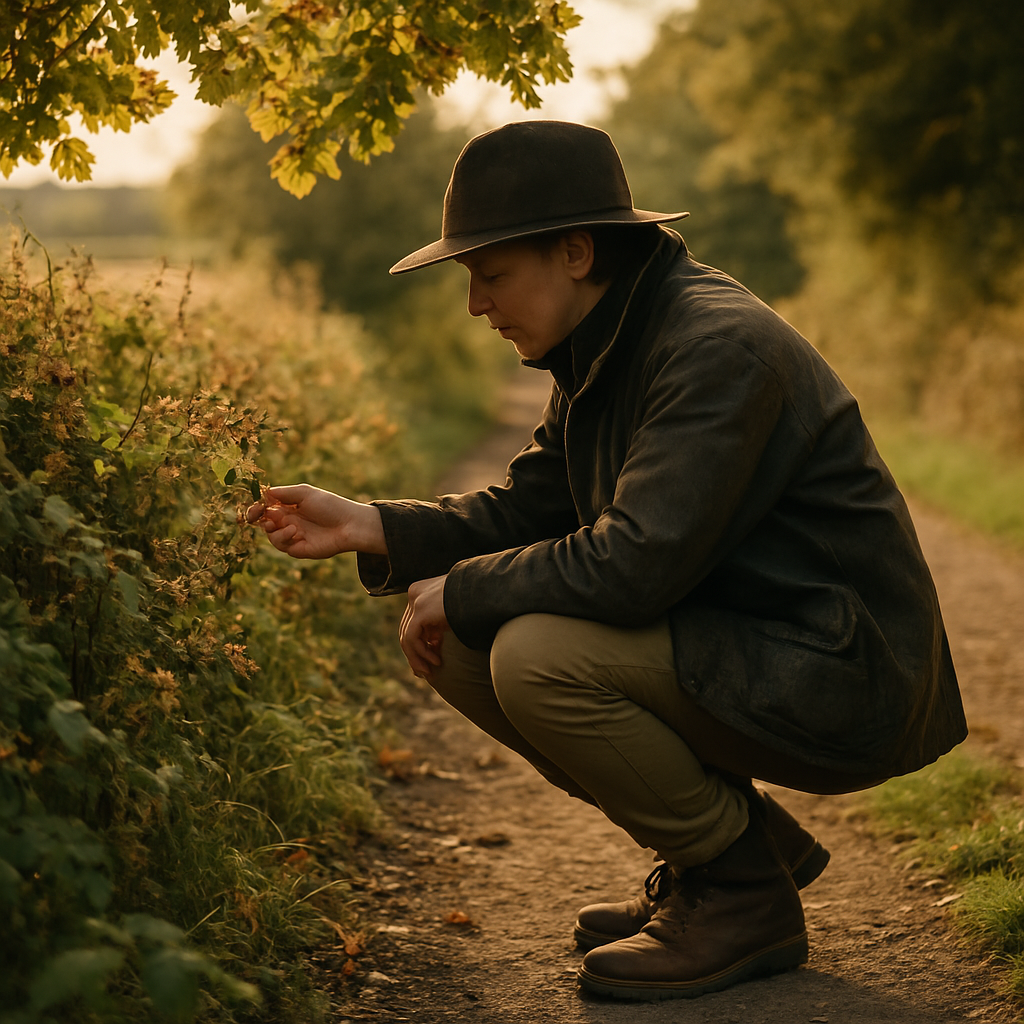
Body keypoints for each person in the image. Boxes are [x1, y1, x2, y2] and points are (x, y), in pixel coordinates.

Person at [246, 120, 967, 1001]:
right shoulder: (608, 340)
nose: (475, 303)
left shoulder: (712, 348)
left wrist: (466, 588)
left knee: (535, 653)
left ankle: (743, 895)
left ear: (577, 251)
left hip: (844, 670)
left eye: (491, 274)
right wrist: (370, 526)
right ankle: (735, 850)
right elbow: (527, 508)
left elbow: (634, 566)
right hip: (754, 642)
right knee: (463, 646)